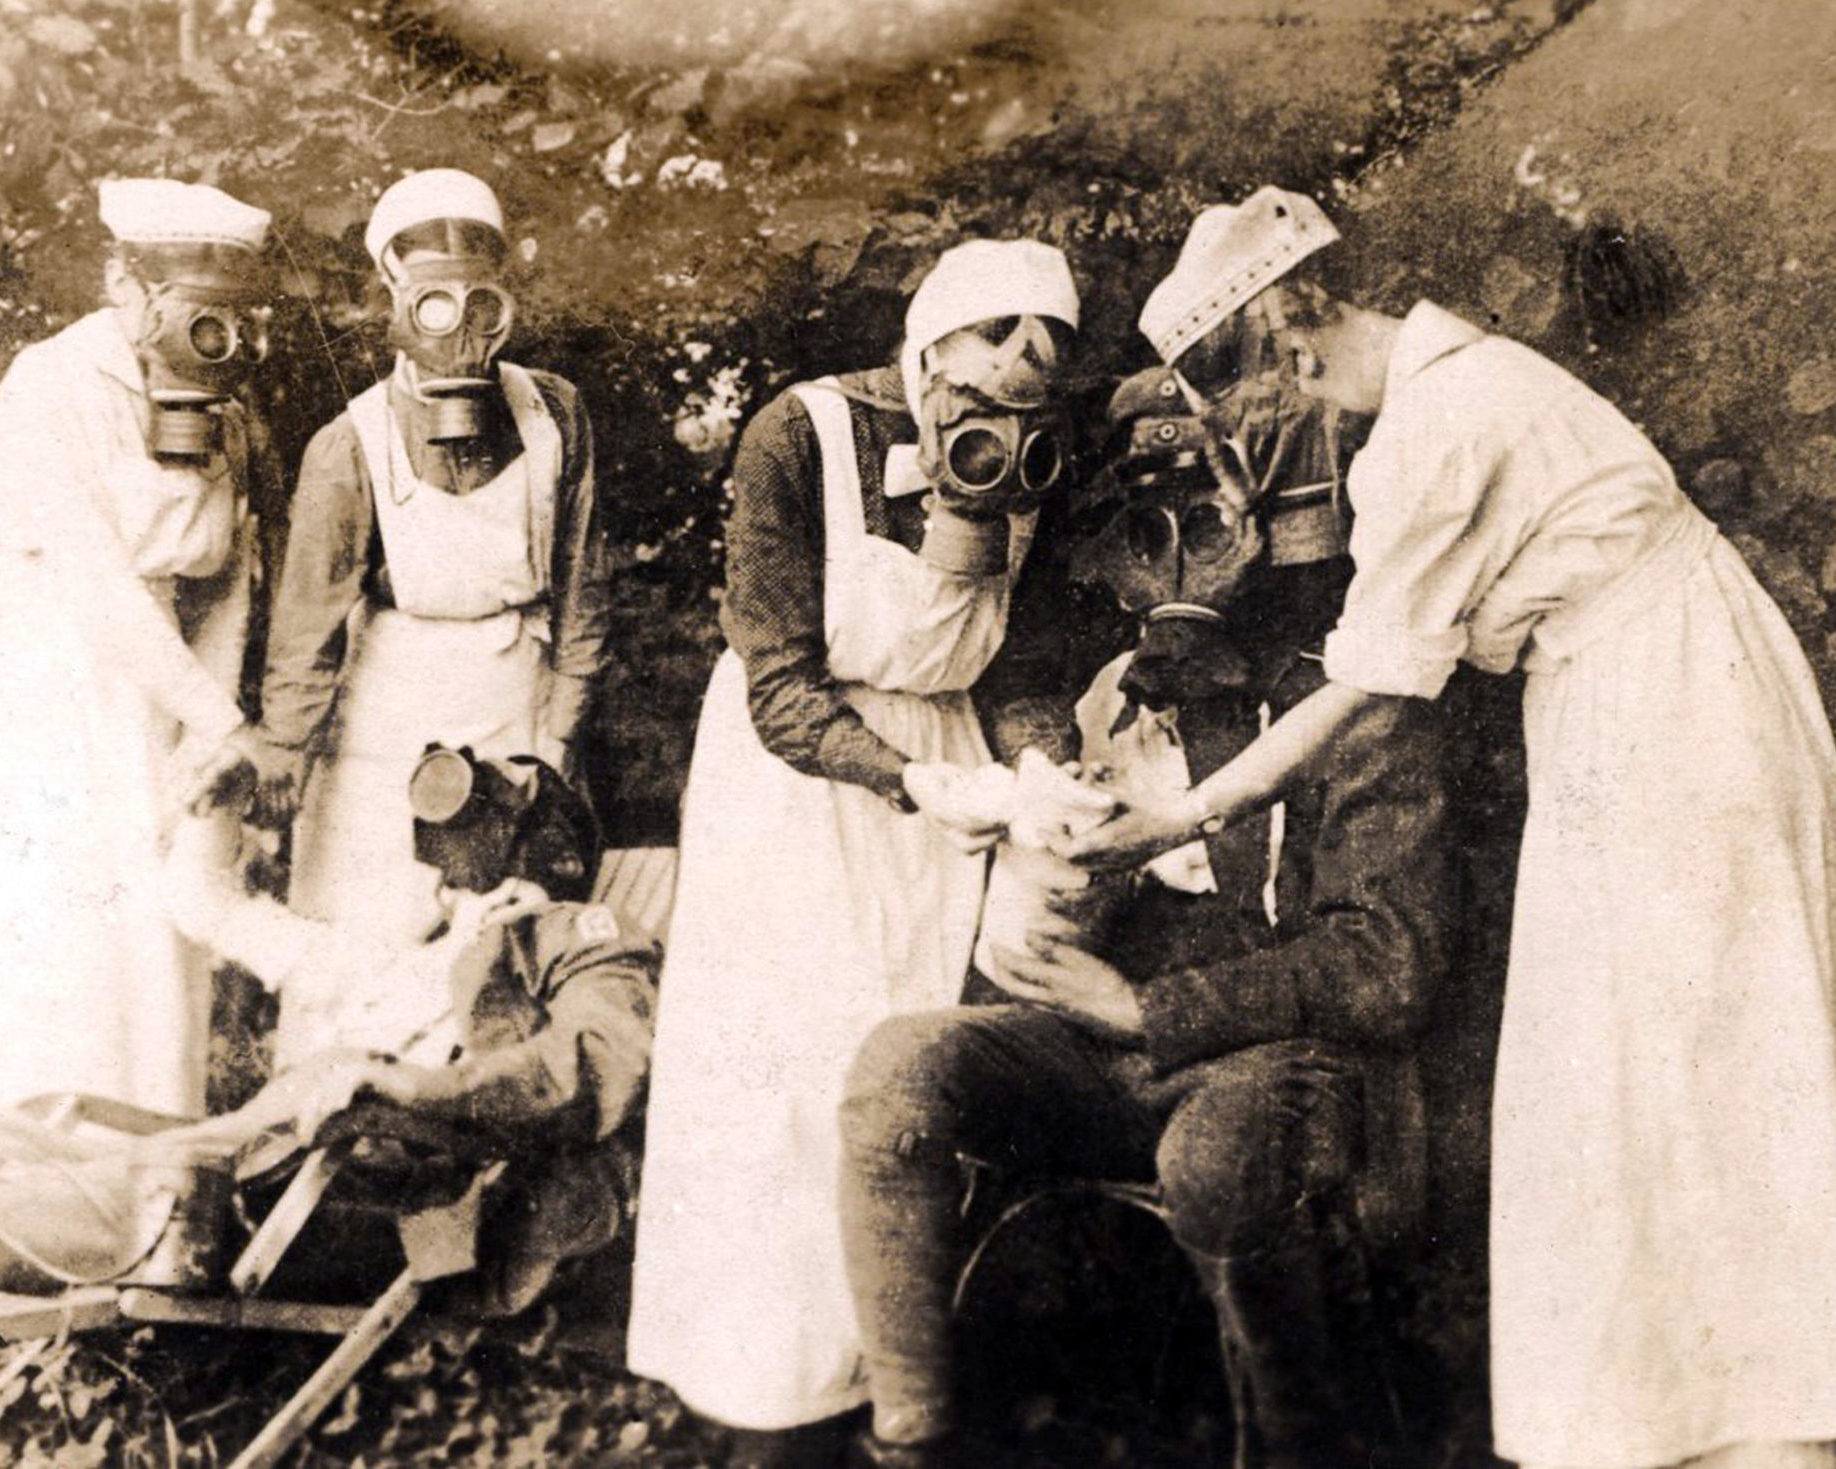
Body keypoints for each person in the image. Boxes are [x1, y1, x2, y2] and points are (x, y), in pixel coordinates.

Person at [1066, 186, 1836, 1469]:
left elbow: (1367, 682)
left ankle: (1761, 1415)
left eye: (1260, 405)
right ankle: (1702, 1411)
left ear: (1291, 339)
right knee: (1651, 1068)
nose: (1269, 440)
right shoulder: (1464, 387)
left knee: (1697, 1058)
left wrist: (1178, 815)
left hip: (1675, 718)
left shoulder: (1441, 421)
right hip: (1634, 701)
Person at [836, 364, 1449, 1469]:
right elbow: (1050, 930)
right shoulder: (1112, 689)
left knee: (1220, 1160)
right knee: (901, 1070)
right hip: (1112, 1051)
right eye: (1141, 519)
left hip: (1284, 1060)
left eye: (1206, 515)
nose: (1171, 553)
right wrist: (1053, 876)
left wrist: (1144, 1005)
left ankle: (1316, 1447)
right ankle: (912, 1440)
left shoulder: (1353, 696)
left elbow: (1389, 960)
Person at [627, 239, 1082, 1465]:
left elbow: (1024, 659)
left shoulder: (1034, 456)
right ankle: (768, 1411)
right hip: (803, 788)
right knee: (779, 1092)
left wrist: (1037, 761)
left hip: (949, 785)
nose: (995, 415)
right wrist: (908, 776)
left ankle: (906, 1395)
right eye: (978, 381)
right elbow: (777, 683)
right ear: (929, 351)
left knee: (908, 1077)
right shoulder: (801, 435)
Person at [162, 745, 656, 1316]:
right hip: (285, 1182)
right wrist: (218, 811)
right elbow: (210, 908)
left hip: (423, 1211)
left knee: (126, 1204)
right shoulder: (395, 963)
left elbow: (594, 1064)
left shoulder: (584, 938)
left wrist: (416, 1088)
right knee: (123, 1182)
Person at [257, 167, 612, 946]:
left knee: (508, 933)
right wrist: (286, 755)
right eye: (432, 302)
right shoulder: (349, 445)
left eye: (476, 303)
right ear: (396, 303)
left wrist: (555, 746)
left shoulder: (554, 415)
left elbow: (584, 596)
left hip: (518, 701)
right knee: (373, 931)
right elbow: (306, 635)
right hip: (390, 718)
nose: (458, 330)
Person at [0, 178, 280, 1117]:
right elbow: (92, 582)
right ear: (122, 281)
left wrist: (213, 723)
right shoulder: (49, 383)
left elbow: (229, 577)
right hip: (65, 684)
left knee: (168, 934)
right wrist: (218, 716)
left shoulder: (223, 408)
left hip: (174, 688)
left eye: (227, 307)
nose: (212, 329)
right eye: (181, 295)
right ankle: (48, 1202)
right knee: (76, 926)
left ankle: (160, 1198)